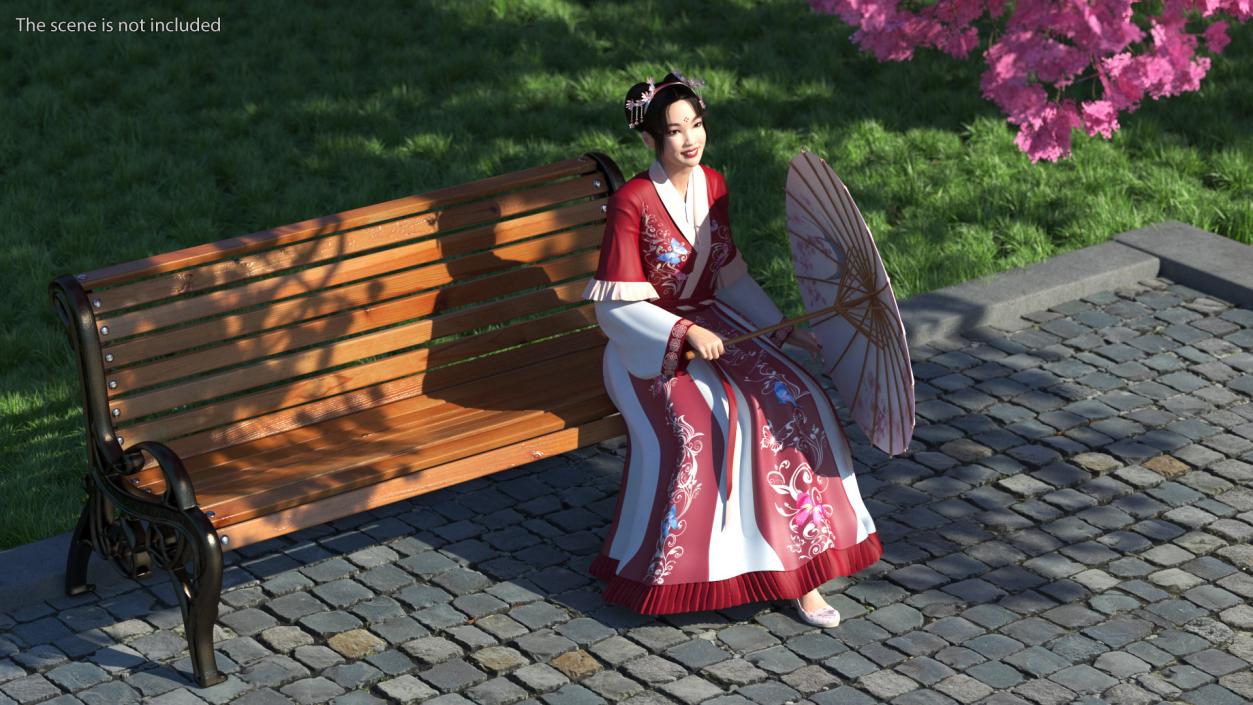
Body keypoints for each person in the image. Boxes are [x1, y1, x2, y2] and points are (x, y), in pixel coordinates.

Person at [584, 71, 885, 628]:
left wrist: (778, 330)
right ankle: (704, 566)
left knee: (798, 399)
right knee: (721, 418)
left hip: (722, 326)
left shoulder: (715, 185)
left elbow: (729, 275)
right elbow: (612, 308)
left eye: (696, 125)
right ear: (650, 141)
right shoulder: (632, 201)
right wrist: (684, 334)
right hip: (649, 347)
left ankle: (803, 571)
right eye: (673, 132)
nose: (690, 140)